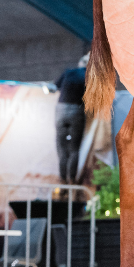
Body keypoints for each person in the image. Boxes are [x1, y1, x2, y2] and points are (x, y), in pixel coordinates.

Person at [53, 53, 88, 184]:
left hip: (61, 111)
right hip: (77, 112)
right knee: (74, 149)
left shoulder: (69, 72)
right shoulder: (88, 76)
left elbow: (56, 86)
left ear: (80, 63)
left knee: (62, 147)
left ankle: (62, 180)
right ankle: (72, 180)